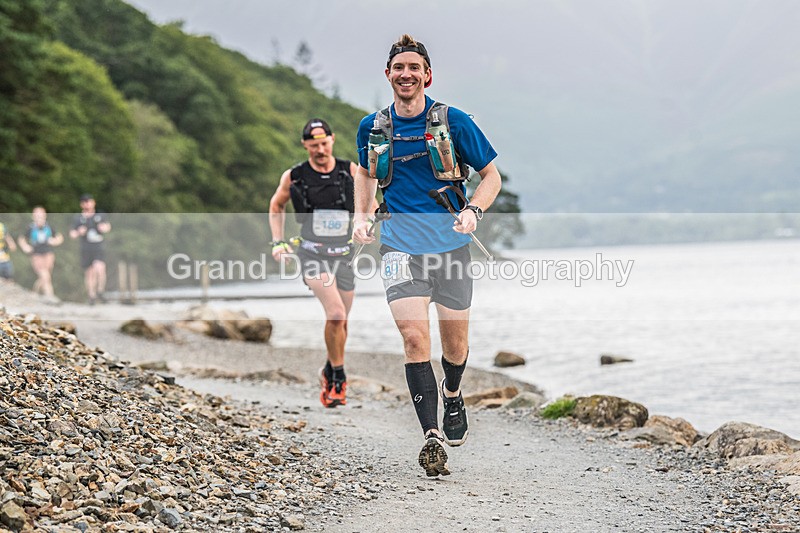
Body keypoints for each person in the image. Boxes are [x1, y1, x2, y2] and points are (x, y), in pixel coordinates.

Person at [352, 34, 502, 476]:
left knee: (455, 346)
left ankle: (453, 393)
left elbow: (491, 175)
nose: (406, 74)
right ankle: (431, 435)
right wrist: (362, 216)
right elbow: (363, 171)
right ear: (388, 75)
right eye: (399, 68)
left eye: (414, 68)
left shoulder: (452, 121)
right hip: (399, 244)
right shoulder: (372, 127)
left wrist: (474, 210)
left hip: (452, 245)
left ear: (427, 75)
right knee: (415, 338)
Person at [269, 118, 373, 408]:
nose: (320, 150)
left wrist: (368, 223)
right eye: (313, 145)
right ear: (305, 145)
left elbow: (370, 201)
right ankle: (339, 378)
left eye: (324, 144)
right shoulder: (294, 176)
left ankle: (327, 370)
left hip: (344, 254)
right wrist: (278, 242)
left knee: (341, 323)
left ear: (332, 140)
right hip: (312, 254)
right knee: (336, 313)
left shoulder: (349, 170)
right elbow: (276, 205)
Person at [69, 194, 111, 305]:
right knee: (89, 273)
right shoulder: (78, 218)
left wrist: (104, 228)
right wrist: (79, 232)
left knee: (100, 268)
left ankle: (100, 291)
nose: (87, 204)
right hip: (86, 248)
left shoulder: (100, 215)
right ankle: (91, 296)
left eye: (89, 201)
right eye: (85, 202)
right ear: (82, 204)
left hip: (98, 247)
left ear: (93, 202)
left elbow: (108, 226)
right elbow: (72, 234)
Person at [18, 206, 64, 299]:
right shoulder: (30, 228)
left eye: (41, 214)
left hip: (48, 253)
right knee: (44, 274)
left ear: (45, 215)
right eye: (36, 214)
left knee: (45, 276)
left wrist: (54, 241)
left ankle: (34, 294)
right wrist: (25, 247)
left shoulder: (49, 226)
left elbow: (60, 237)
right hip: (36, 254)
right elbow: (21, 239)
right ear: (33, 216)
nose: (39, 216)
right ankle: (50, 296)